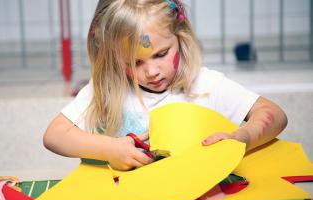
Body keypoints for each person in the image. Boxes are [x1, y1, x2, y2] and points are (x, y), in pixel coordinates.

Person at [43, 0, 287, 171]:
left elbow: (275, 114)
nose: (151, 71)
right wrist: (108, 149)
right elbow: (54, 136)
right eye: (135, 62)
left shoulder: (205, 84)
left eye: (161, 54)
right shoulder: (109, 89)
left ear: (181, 38)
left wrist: (242, 137)